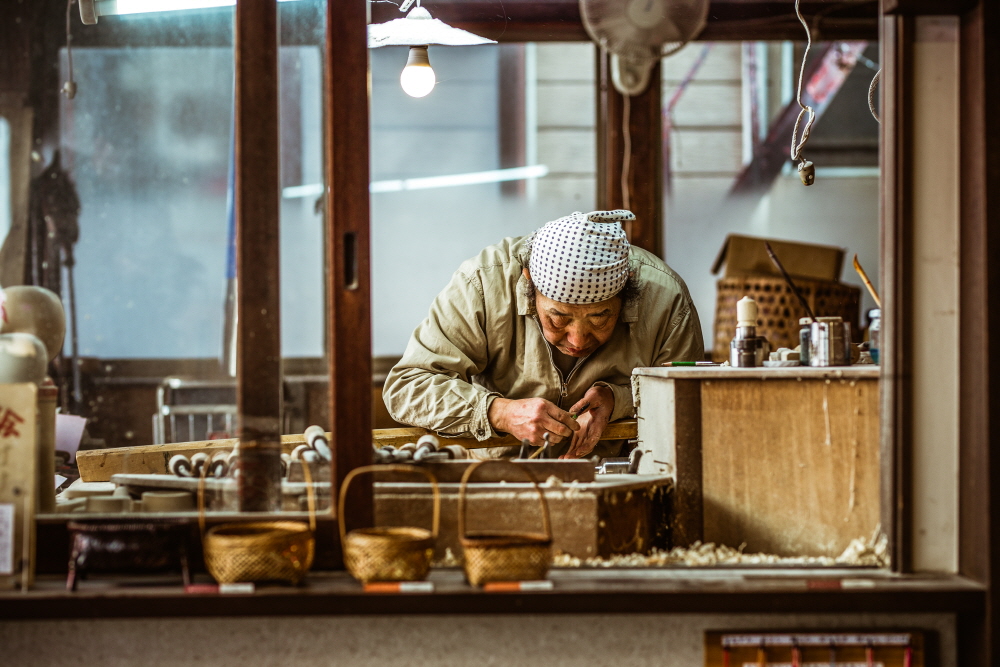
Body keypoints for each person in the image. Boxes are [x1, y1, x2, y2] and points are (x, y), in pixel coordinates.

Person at [383, 209, 704, 459]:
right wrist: (499, 412)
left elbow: (690, 406)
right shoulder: (482, 285)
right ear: (528, 284)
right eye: (558, 319)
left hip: (620, 477)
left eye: (600, 318)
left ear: (629, 290)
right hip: (496, 476)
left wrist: (618, 399)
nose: (577, 339)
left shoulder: (664, 299)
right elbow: (408, 387)